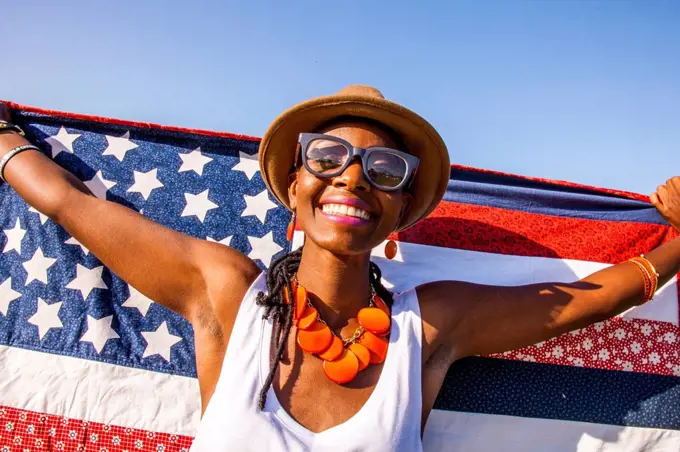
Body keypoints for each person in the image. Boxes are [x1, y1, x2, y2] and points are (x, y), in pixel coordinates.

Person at [0, 85, 679, 452]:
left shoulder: (431, 325)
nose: (352, 179)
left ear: (401, 208)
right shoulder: (227, 292)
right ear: (295, 187)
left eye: (384, 171)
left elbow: (597, 294)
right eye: (327, 159)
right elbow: (65, 201)